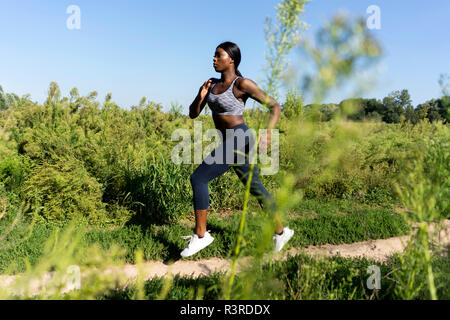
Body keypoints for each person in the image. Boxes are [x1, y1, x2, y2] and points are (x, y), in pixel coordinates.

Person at [181, 41, 294, 257]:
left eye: (218, 55)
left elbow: (275, 106)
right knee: (256, 187)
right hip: (228, 141)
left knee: (199, 178)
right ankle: (281, 232)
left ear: (231, 59)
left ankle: (202, 235)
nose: (213, 59)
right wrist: (201, 95)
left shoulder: (242, 84)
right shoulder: (211, 84)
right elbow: (193, 113)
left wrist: (268, 133)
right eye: (213, 55)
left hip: (240, 138)